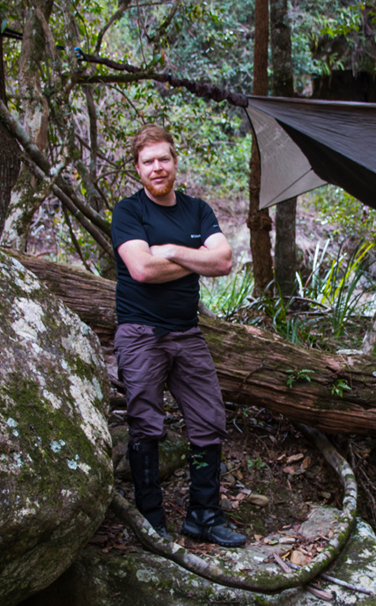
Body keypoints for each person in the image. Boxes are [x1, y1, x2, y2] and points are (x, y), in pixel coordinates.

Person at [110, 124, 246, 548]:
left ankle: (203, 516)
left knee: (209, 420)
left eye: (163, 159)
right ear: (138, 169)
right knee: (146, 425)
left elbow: (224, 262)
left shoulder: (198, 210)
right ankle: (151, 521)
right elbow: (142, 270)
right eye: (148, 161)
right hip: (141, 333)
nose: (157, 167)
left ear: (174, 162)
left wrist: (168, 250)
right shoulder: (129, 212)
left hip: (187, 333)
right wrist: (197, 258)